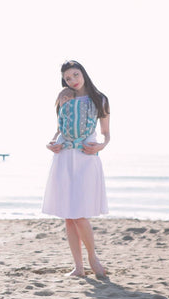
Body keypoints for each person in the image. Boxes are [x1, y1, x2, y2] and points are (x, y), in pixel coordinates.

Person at [42, 60, 110, 278]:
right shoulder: (64, 97)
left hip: (85, 158)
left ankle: (93, 258)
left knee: (79, 213)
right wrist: (51, 143)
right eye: (68, 78)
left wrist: (101, 145)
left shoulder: (100, 99)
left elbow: (106, 133)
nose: (72, 80)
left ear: (83, 73)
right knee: (68, 216)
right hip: (63, 158)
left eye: (75, 74)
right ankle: (78, 267)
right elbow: (60, 128)